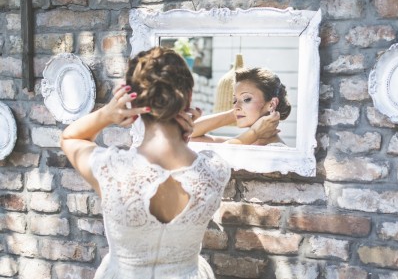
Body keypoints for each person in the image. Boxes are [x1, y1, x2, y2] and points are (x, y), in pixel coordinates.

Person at [60, 47, 254, 279]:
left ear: (133, 101)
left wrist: (107, 114)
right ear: (188, 96)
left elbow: (70, 137)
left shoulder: (110, 169)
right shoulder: (216, 170)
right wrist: (185, 139)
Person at [190, 67, 291, 146]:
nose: (236, 106)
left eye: (246, 99)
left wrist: (253, 132)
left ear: (272, 104)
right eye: (235, 100)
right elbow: (189, 135)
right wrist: (234, 113)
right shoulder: (243, 141)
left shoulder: (277, 151)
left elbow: (221, 156)